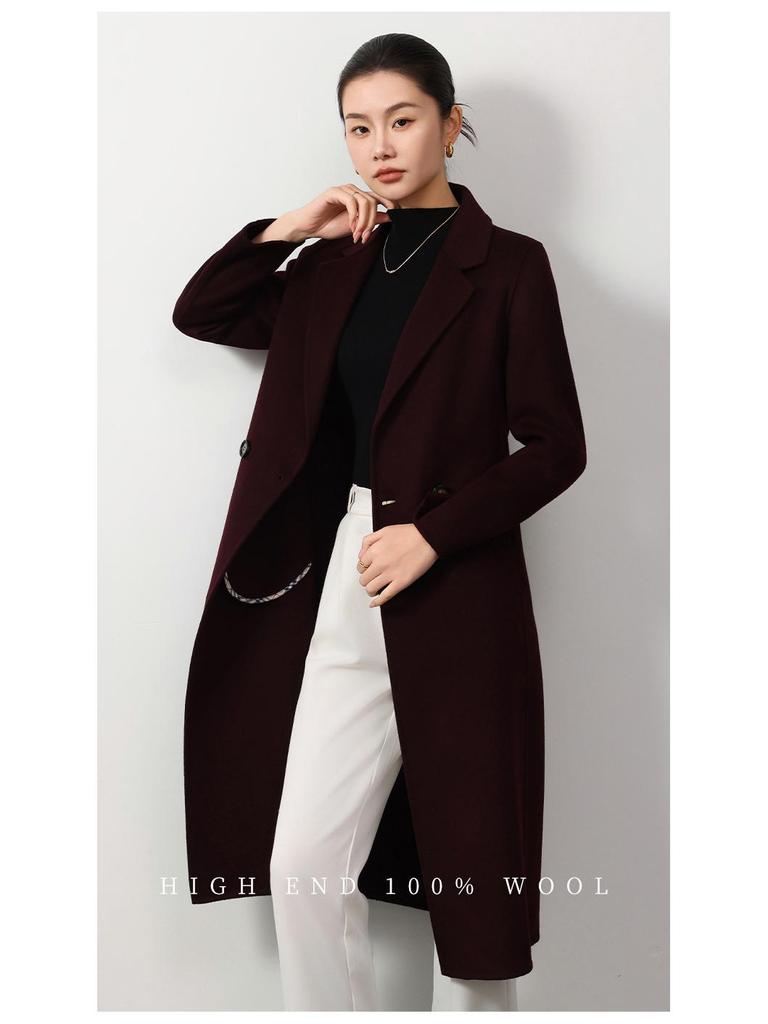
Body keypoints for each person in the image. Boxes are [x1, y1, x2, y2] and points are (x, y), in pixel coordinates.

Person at [172, 31, 586, 1013]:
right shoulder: (332, 264)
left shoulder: (510, 267)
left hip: (460, 588)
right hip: (348, 578)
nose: (380, 147)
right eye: (358, 129)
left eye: (402, 120)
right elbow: (204, 312)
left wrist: (434, 533)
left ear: (450, 122)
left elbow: (557, 446)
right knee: (303, 865)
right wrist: (291, 225)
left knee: (474, 899)